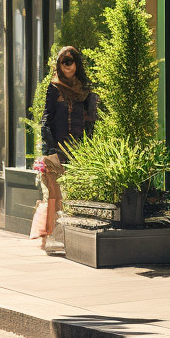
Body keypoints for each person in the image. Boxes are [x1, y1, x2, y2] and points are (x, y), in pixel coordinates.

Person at [35, 46, 98, 249]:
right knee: (55, 195)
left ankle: (74, 238)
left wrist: (89, 150)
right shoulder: (54, 88)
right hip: (58, 149)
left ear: (77, 64)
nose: (67, 65)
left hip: (79, 150)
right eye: (63, 61)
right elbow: (46, 119)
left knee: (76, 194)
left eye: (70, 61)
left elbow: (91, 123)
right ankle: (52, 237)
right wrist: (50, 149)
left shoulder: (86, 90)